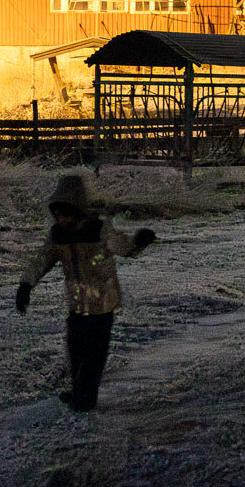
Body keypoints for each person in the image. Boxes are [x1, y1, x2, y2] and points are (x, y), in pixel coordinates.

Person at [15, 173, 156, 412]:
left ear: (78, 210)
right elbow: (41, 261)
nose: (61, 219)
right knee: (76, 352)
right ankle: (79, 392)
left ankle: (85, 401)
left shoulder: (99, 230)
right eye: (57, 214)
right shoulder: (58, 235)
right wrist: (26, 285)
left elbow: (122, 246)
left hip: (102, 304)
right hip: (77, 304)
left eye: (65, 214)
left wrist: (138, 242)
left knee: (93, 356)